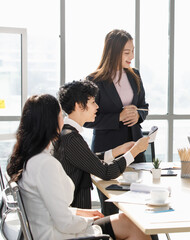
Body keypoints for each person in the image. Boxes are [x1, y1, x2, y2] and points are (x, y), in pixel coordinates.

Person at [6, 94, 151, 240]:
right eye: (60, 116)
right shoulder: (46, 164)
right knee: (135, 227)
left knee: (129, 222)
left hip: (53, 229)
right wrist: (90, 220)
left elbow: (51, 208)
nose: (63, 119)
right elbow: (64, 223)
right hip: (61, 235)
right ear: (51, 122)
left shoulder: (31, 159)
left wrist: (82, 212)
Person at [54, 80, 148, 210]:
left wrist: (118, 150)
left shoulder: (67, 133)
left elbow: (89, 159)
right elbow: (107, 172)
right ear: (79, 106)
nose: (97, 106)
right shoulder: (71, 138)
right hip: (77, 219)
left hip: (76, 215)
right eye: (93, 102)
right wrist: (135, 151)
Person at [84, 29, 149, 215]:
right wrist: (117, 117)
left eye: (133, 51)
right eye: (127, 52)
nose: (132, 56)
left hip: (135, 150)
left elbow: (144, 106)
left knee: (141, 207)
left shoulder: (134, 75)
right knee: (112, 207)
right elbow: (86, 120)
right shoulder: (94, 80)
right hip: (108, 152)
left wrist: (138, 115)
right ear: (113, 52)